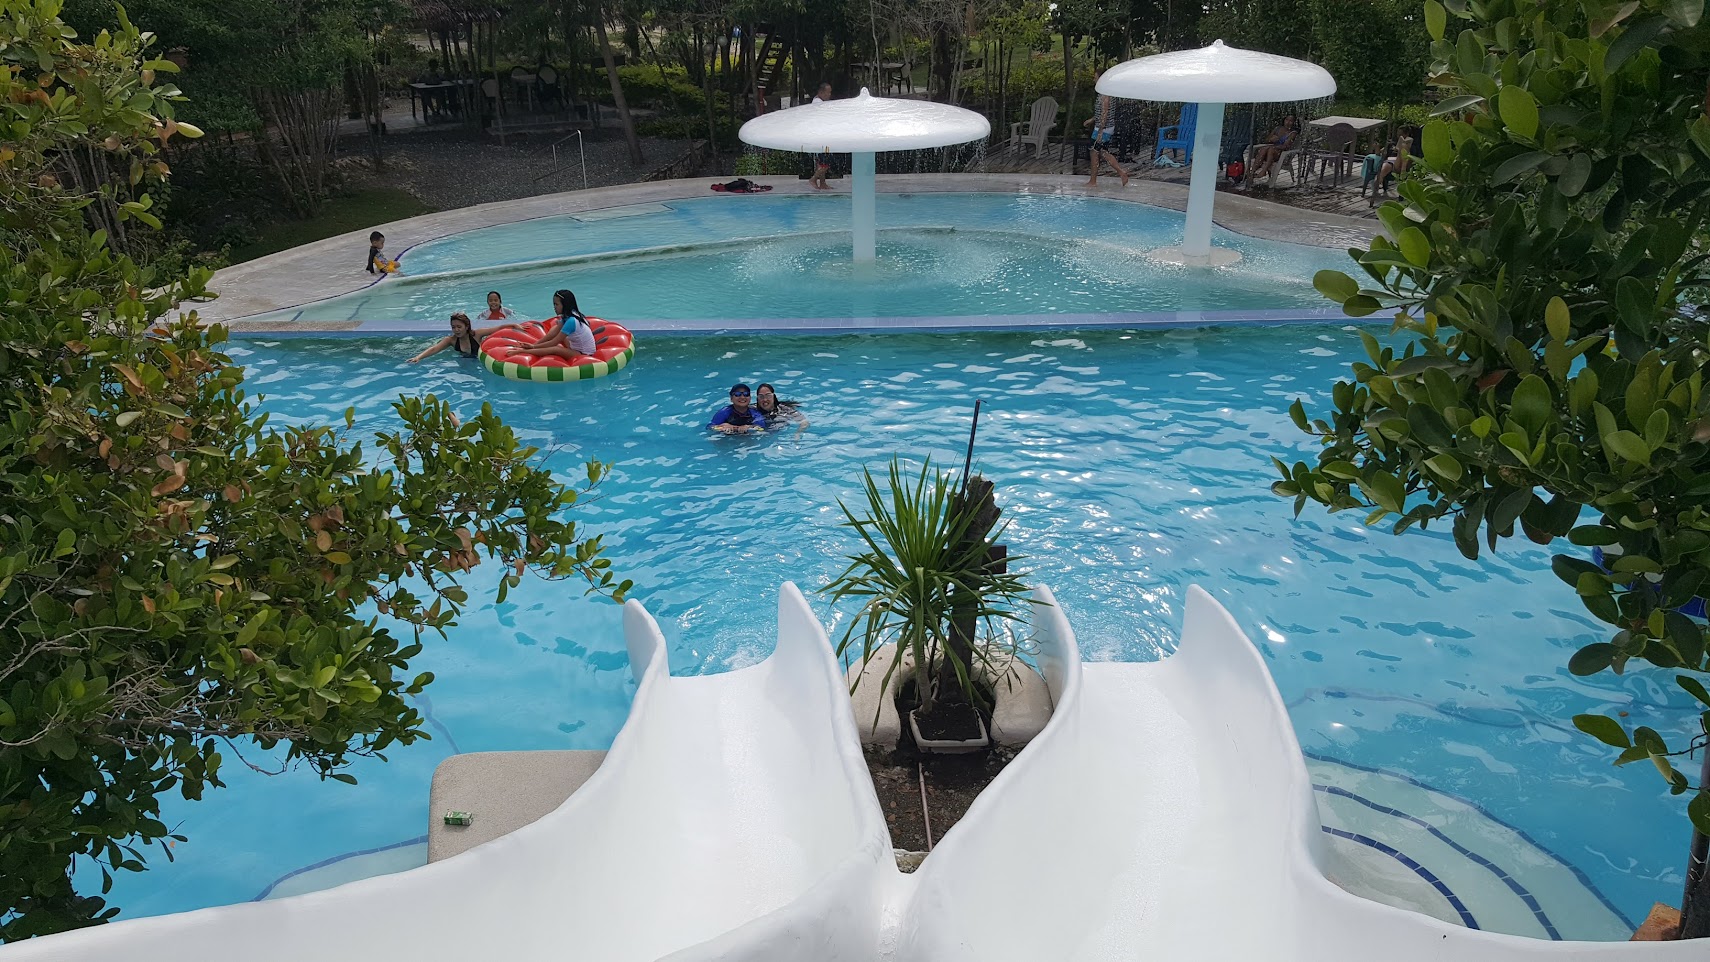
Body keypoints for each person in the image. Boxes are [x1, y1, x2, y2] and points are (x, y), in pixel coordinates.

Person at [512, 289, 597, 361]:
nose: (554, 307)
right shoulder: (571, 315)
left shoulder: (571, 321)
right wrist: (534, 345)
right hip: (575, 347)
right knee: (554, 328)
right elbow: (554, 333)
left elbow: (554, 342)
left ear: (565, 305)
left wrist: (534, 347)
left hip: (583, 354)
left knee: (555, 349)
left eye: (556, 304)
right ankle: (531, 348)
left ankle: (522, 352)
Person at [408, 312, 517, 363]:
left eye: (459, 327)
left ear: (467, 326)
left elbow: (498, 328)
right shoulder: (450, 340)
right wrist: (418, 357)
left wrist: (514, 325)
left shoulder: (477, 334)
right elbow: (434, 348)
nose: (456, 330)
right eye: (453, 327)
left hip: (481, 361)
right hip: (464, 363)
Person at [1082, 76, 1128, 188]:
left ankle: (1093, 181)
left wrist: (1100, 131)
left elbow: (1105, 114)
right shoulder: (1103, 93)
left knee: (1094, 152)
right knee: (1102, 152)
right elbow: (1101, 112)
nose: (1094, 79)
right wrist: (1092, 120)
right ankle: (1121, 173)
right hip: (1102, 127)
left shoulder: (1105, 95)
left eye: (1095, 77)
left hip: (1104, 128)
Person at [1368, 126, 1418, 206]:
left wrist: (1402, 148)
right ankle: (1377, 184)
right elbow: (1379, 153)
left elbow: (1414, 157)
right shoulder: (1392, 144)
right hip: (1392, 162)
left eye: (1401, 135)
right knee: (1385, 167)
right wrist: (1377, 147)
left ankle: (1403, 171)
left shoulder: (1413, 144)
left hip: (1405, 164)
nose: (1399, 136)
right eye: (1398, 135)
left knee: (1404, 147)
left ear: (1407, 134)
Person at [1248, 114, 1300, 184]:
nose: (1288, 122)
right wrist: (1271, 140)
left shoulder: (1293, 133)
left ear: (1294, 123)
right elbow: (1267, 140)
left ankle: (1263, 171)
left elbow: (1285, 146)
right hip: (1269, 152)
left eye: (1291, 121)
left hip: (1281, 154)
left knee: (1270, 149)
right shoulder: (1277, 129)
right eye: (1287, 120)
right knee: (1264, 149)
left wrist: (1274, 146)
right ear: (1284, 120)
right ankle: (1252, 173)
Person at [810, 83, 833, 190]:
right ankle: (813, 179)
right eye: (828, 92)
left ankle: (822, 183)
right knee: (826, 161)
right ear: (821, 92)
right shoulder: (818, 103)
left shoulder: (819, 101)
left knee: (821, 161)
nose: (830, 95)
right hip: (820, 136)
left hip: (820, 135)